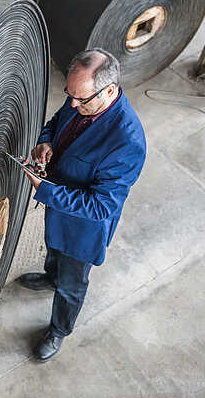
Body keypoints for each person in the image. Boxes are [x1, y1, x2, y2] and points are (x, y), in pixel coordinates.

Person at [19, 48, 146, 363]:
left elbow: (101, 206)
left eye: (81, 100)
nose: (73, 104)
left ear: (110, 90)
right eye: (70, 95)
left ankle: (59, 329)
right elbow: (57, 121)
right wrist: (46, 142)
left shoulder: (127, 142)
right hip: (58, 210)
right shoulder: (81, 96)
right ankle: (51, 277)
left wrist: (46, 191)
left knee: (72, 285)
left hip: (82, 228)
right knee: (53, 250)